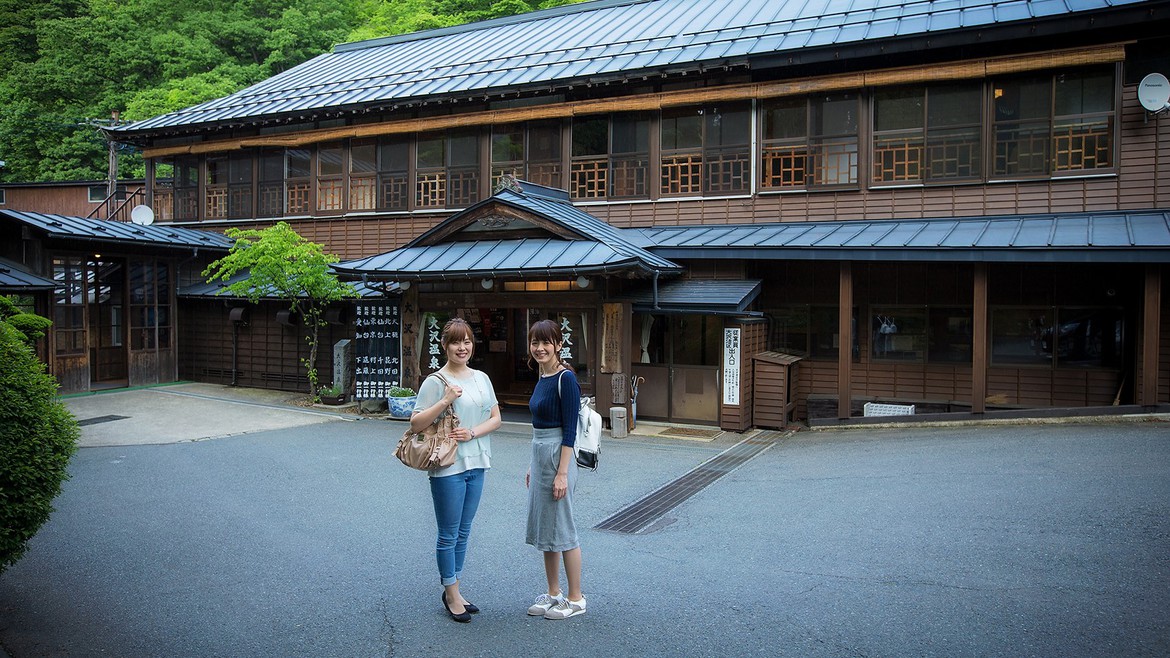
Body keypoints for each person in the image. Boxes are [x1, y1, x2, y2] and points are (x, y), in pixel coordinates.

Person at [410, 318, 502, 623]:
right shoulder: (435, 382)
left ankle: (456, 588)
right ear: (444, 345)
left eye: (466, 342)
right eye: (455, 342)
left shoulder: (481, 378)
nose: (462, 348)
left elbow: (496, 418)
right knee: (448, 533)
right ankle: (450, 593)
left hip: (477, 462)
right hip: (448, 466)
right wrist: (447, 399)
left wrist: (473, 433)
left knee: (464, 531)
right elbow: (415, 423)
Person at [524, 318, 587, 620]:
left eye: (546, 342)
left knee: (563, 526)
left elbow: (569, 431)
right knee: (546, 528)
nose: (539, 348)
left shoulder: (566, 379)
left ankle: (576, 598)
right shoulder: (542, 377)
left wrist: (562, 472)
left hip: (558, 457)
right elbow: (538, 427)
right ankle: (553, 593)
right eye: (535, 342)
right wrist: (531, 465)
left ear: (559, 345)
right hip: (540, 455)